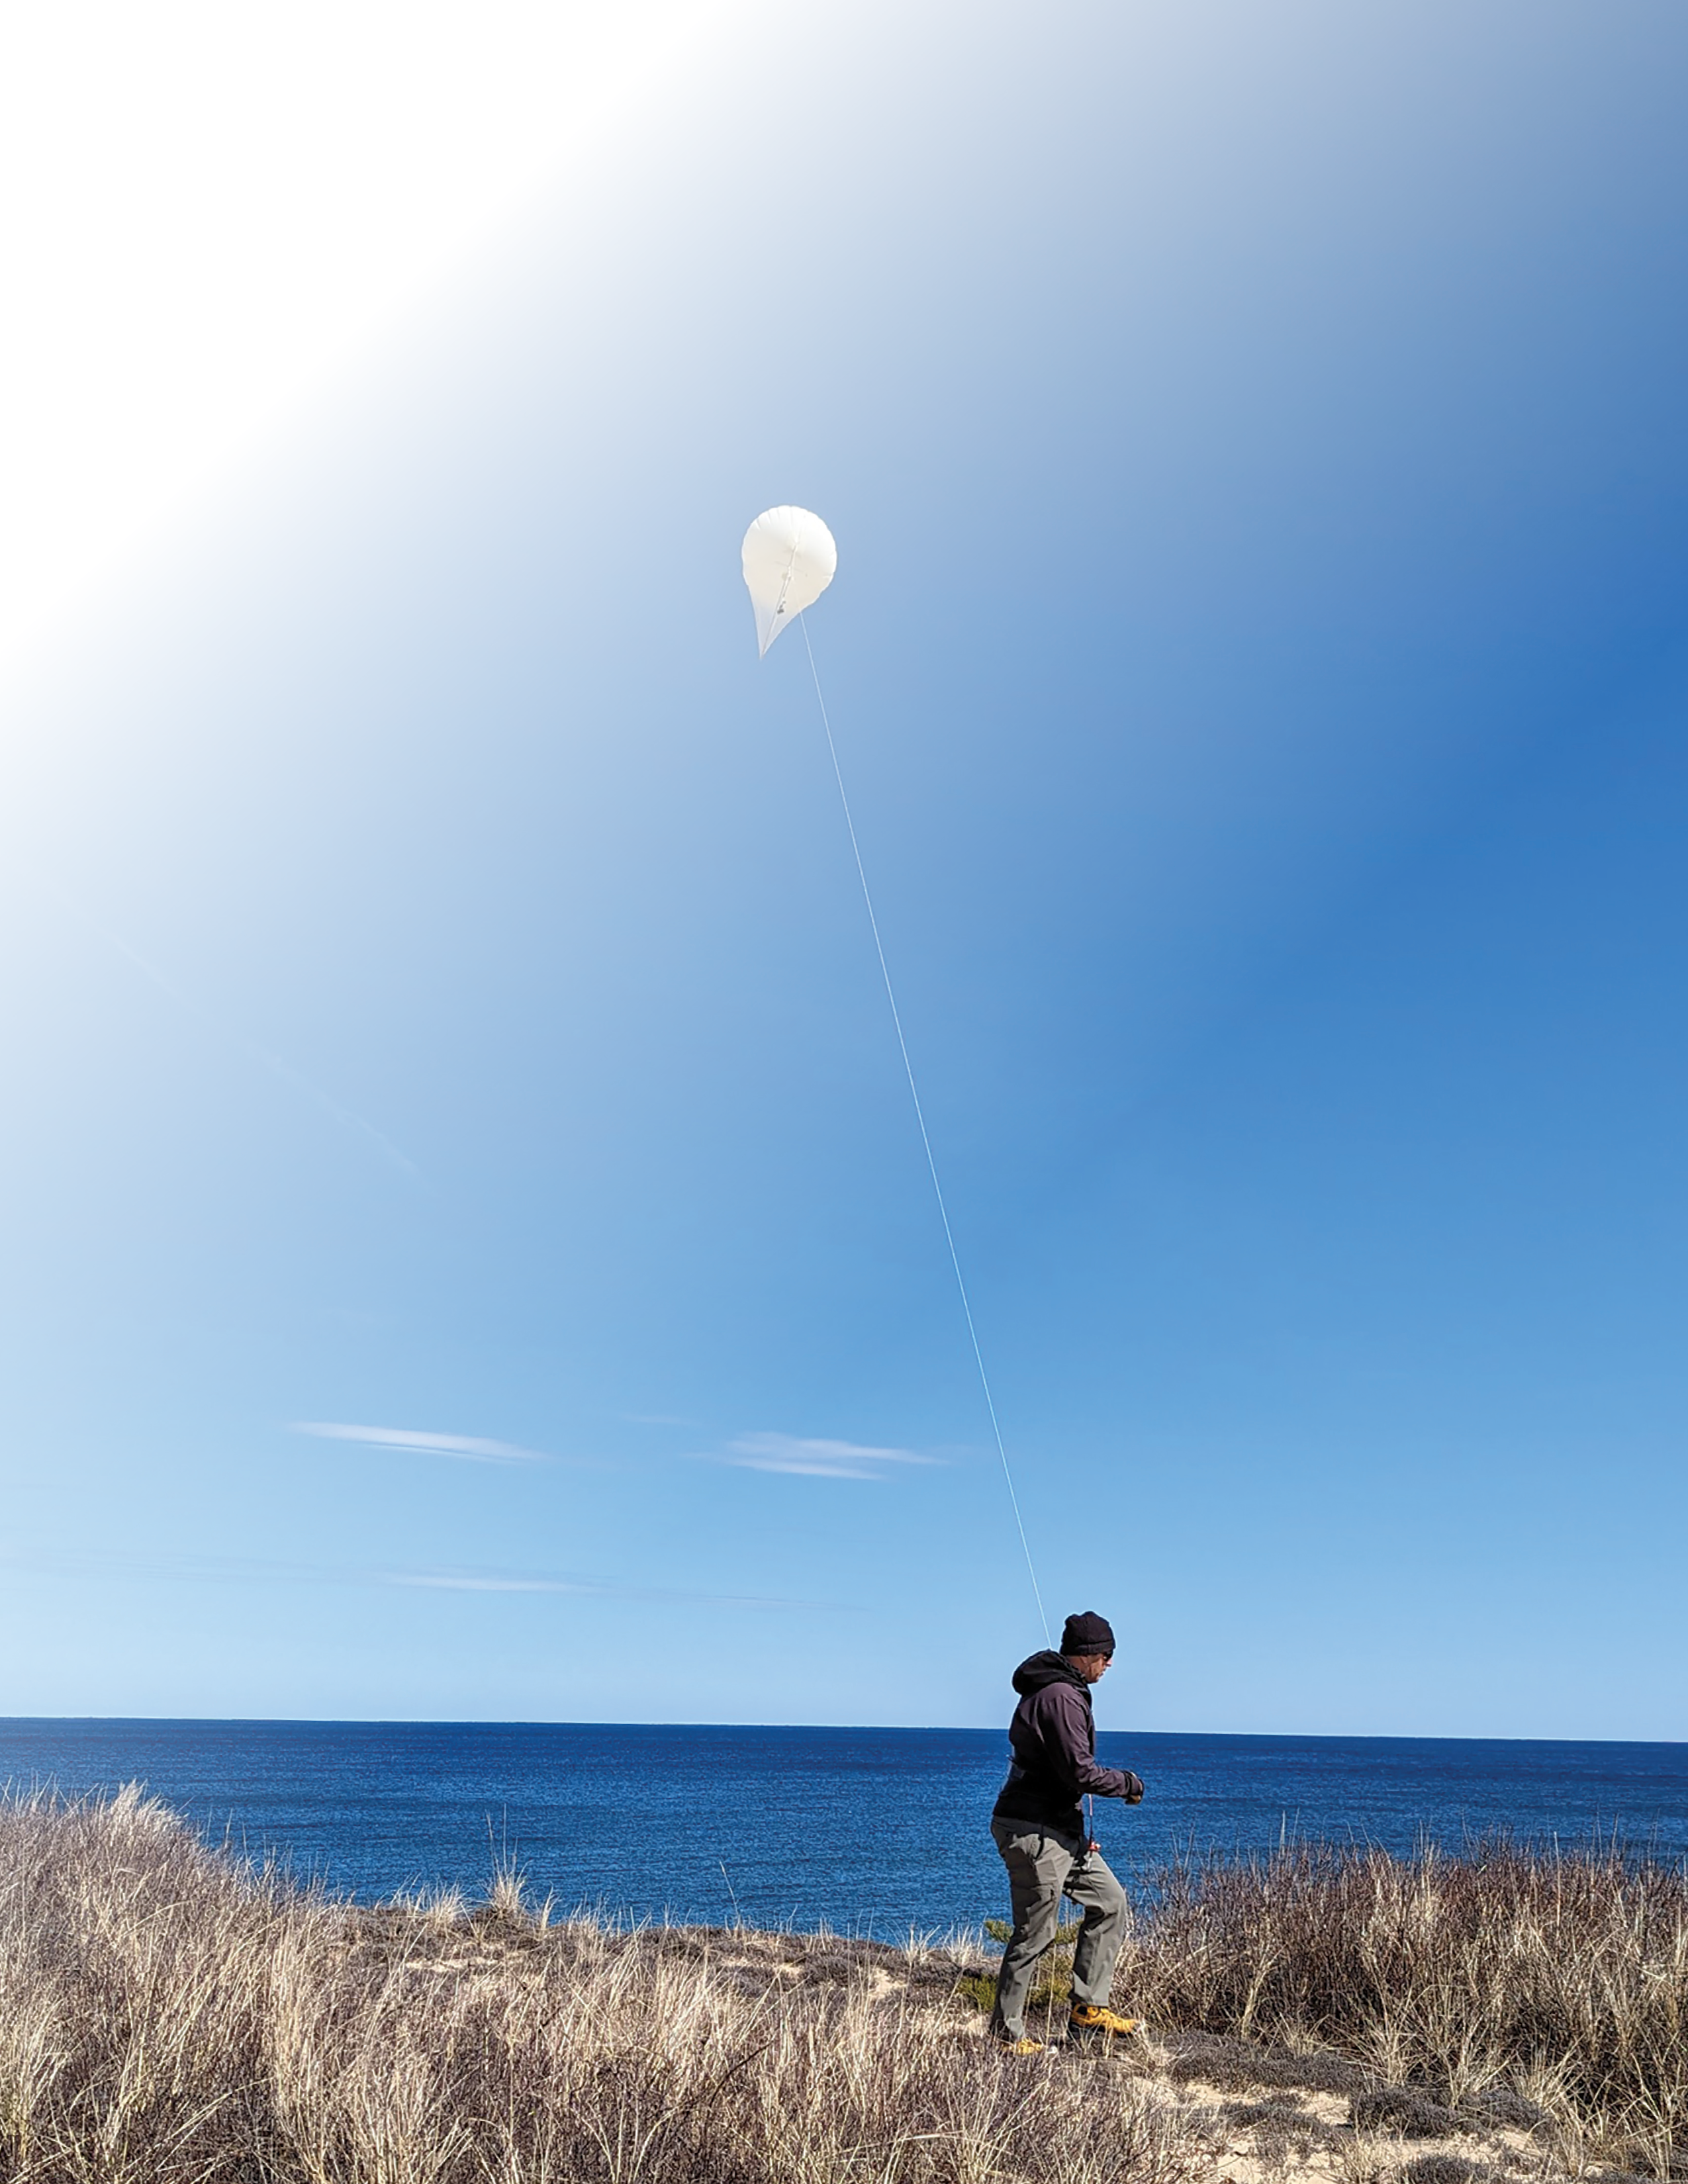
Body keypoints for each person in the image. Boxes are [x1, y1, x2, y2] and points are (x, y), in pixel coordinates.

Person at [988, 1609, 1145, 2054]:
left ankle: (1088, 2011)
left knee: (1111, 1902)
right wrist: (1129, 1784)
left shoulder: (1064, 1690)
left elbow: (1062, 1774)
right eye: (1107, 1655)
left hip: (1057, 1830)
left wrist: (1075, 1832)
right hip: (1033, 1832)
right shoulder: (1060, 1696)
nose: (1110, 1664)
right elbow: (1079, 1771)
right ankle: (1006, 2037)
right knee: (1035, 1933)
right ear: (1088, 1655)